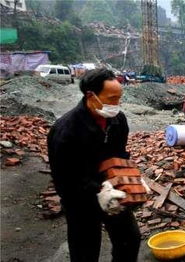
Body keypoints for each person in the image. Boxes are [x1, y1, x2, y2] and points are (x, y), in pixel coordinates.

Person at [47, 69, 140, 262]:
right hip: (81, 200)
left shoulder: (117, 120)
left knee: (129, 238)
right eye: (112, 98)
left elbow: (119, 154)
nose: (117, 104)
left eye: (119, 98)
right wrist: (99, 190)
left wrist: (130, 177)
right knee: (85, 251)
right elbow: (65, 182)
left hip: (113, 191)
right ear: (91, 95)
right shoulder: (66, 131)